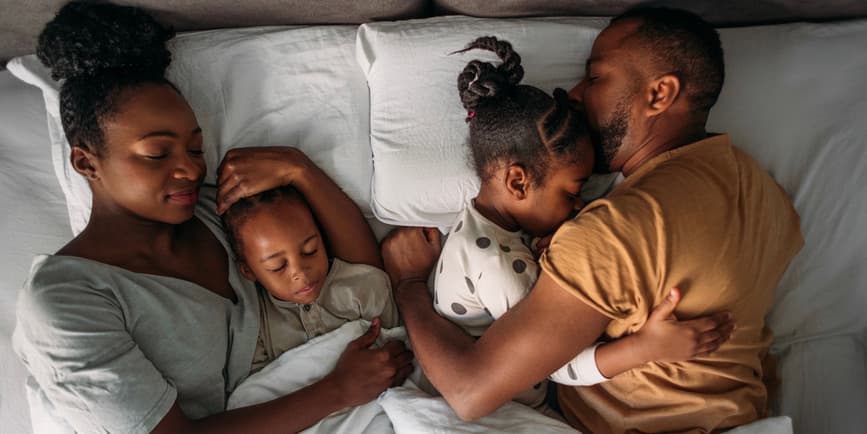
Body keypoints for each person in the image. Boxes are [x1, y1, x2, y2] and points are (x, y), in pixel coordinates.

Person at [382, 6, 804, 433]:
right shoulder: (762, 191)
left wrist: (409, 286)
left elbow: (470, 392)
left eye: (597, 77)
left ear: (659, 94)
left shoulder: (612, 232)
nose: (576, 94)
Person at [12, 3, 411, 433]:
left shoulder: (213, 211)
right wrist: (338, 390)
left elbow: (355, 274)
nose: (190, 169)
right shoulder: (65, 301)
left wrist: (300, 169)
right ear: (86, 163)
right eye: (158, 153)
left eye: (196, 149)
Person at [432, 36, 734, 410]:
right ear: (517, 182)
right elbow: (556, 364)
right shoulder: (495, 264)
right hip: (509, 409)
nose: (579, 206)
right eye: (573, 192)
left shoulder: (493, 226)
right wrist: (645, 348)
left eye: (594, 78)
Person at [222, 184, 399, 373]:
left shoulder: (365, 285)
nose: (301, 273)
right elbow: (259, 390)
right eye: (278, 266)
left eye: (310, 250)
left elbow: (397, 352)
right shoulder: (256, 326)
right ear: (249, 271)